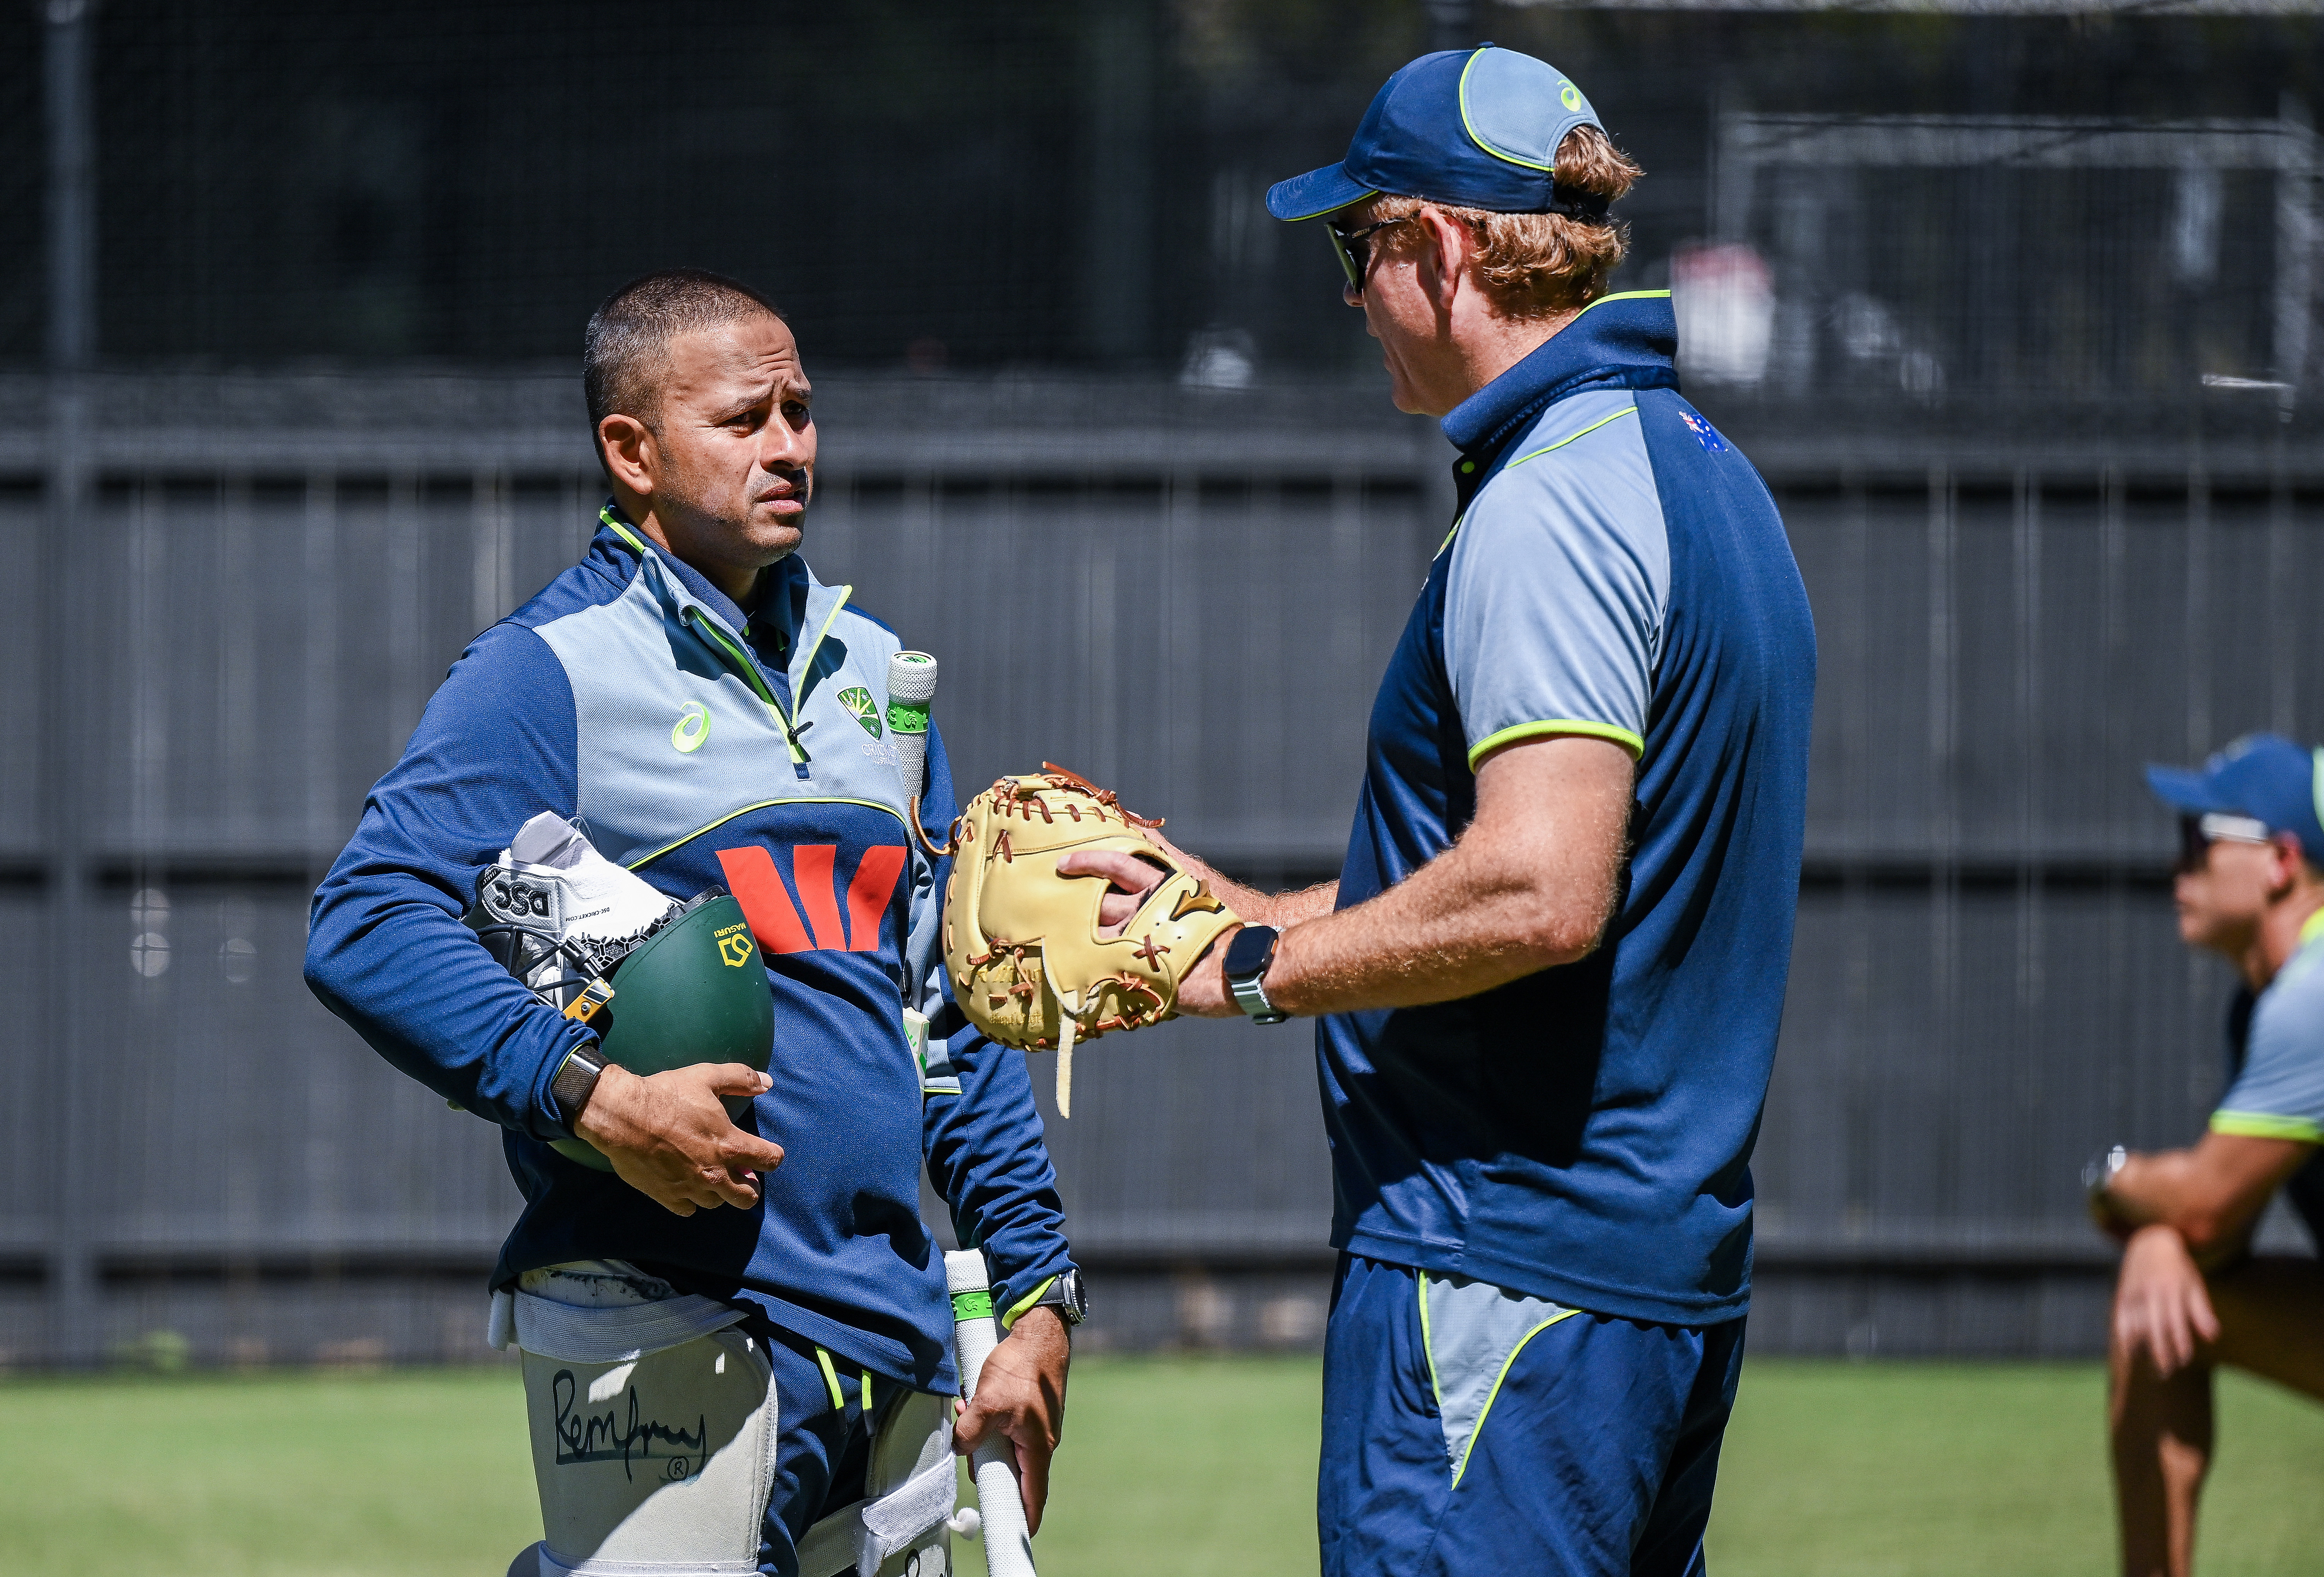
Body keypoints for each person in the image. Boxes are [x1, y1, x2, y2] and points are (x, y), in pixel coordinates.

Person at [1066, 45, 1813, 1577]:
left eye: (1358, 248)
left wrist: (1257, 975)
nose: (1348, 295)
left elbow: (1536, 888)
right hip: (1635, 1284)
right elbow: (1505, 875)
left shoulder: (1550, 498)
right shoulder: (1701, 474)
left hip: (1501, 1272)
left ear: (1444, 245)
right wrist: (1221, 911)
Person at [304, 270, 1081, 1577]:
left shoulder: (878, 683)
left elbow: (945, 1009)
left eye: (800, 409)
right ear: (632, 450)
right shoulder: (545, 669)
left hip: (889, 1335)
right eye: (743, 417)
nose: (789, 444)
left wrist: (1038, 1287)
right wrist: (592, 1096)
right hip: (661, 1313)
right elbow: (366, 918)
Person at [2089, 732, 2324, 1577]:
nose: (2178, 867)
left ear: (2279, 862)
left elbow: (2200, 1203)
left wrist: (2116, 1180)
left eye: (2201, 839)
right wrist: (2159, 1237)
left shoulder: (2314, 993)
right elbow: (2211, 1229)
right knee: (2160, 1309)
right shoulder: (2260, 1005)